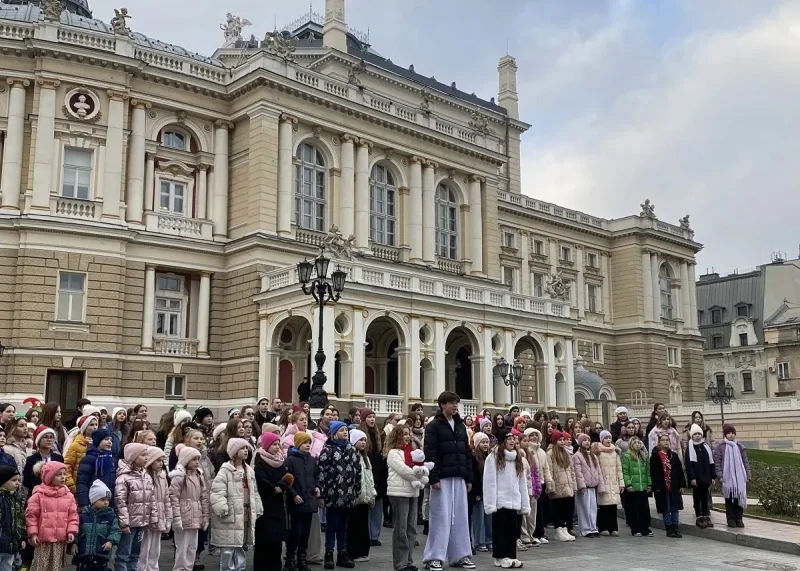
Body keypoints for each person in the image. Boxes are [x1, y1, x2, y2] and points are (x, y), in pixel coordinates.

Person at [422, 391, 475, 571]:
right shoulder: (434, 426)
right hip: (442, 478)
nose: (455, 406)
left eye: (456, 403)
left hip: (458, 476)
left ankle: (460, 555)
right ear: (442, 404)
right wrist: (433, 477)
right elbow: (430, 452)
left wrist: (468, 477)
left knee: (460, 518)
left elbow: (466, 453)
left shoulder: (460, 426)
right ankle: (434, 557)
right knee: (440, 518)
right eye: (451, 402)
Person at [210, 438, 263, 571]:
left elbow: (254, 491)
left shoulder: (249, 470)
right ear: (234, 452)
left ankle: (239, 568)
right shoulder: (225, 470)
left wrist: (257, 507)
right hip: (230, 514)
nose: (246, 450)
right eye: (242, 448)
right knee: (228, 547)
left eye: (246, 448)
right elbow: (217, 491)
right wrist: (222, 507)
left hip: (244, 513)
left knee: (240, 545)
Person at [316, 421, 360, 569]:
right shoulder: (327, 450)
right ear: (334, 434)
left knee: (343, 526)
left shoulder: (351, 449)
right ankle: (329, 553)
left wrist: (356, 490)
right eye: (341, 430)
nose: (345, 432)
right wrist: (321, 494)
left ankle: (342, 553)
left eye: (346, 430)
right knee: (331, 525)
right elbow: (322, 472)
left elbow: (357, 470)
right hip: (332, 494)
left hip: (348, 494)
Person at [483, 429, 529, 569]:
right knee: (500, 530)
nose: (512, 441)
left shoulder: (517, 457)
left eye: (513, 438)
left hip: (514, 500)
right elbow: (489, 481)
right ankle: (500, 556)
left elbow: (521, 481)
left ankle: (511, 555)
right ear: (503, 441)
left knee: (512, 530)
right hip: (500, 500)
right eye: (509, 438)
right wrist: (491, 503)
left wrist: (524, 503)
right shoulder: (493, 457)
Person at [386, 425, 428, 571]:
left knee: (412, 529)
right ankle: (400, 563)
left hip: (413, 492)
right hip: (399, 493)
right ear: (397, 436)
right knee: (401, 529)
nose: (408, 437)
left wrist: (423, 474)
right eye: (404, 434)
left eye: (409, 434)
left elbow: (420, 468)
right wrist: (423, 478)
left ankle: (408, 561)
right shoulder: (393, 453)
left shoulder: (412, 452)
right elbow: (404, 471)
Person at [24, 461, 78, 571]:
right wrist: (33, 533)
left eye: (64, 474)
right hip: (43, 540)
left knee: (55, 566)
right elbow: (31, 516)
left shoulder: (69, 496)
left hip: (59, 540)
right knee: (40, 566)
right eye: (59, 474)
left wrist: (71, 531)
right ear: (49, 477)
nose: (63, 477)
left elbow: (73, 515)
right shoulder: (38, 495)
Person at [253, 432, 292, 571]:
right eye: (274, 444)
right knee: (264, 539)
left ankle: (275, 566)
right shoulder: (260, 462)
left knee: (276, 540)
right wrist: (273, 487)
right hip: (265, 505)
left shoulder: (280, 461)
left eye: (278, 444)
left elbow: (288, 477)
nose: (277, 447)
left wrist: (282, 485)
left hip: (278, 505)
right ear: (267, 446)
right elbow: (261, 480)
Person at [115, 443, 156, 571]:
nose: (146, 458)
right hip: (129, 523)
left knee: (135, 554)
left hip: (142, 522)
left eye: (147, 455)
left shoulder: (146, 476)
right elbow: (120, 502)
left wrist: (153, 518)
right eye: (143, 455)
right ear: (133, 457)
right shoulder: (123, 478)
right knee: (124, 554)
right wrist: (124, 523)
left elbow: (152, 498)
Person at [169, 445, 210, 571]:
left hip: (196, 517)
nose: (197, 462)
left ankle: (188, 568)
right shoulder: (179, 477)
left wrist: (205, 516)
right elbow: (173, 498)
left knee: (192, 547)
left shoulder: (199, 476)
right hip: (183, 517)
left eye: (198, 459)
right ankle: (179, 568)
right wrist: (176, 518)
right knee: (182, 547)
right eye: (193, 459)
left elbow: (203, 497)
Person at [284, 432, 317, 571]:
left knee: (305, 533)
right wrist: (294, 494)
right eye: (304, 443)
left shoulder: (311, 460)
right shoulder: (290, 460)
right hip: (297, 502)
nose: (308, 445)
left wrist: (317, 487)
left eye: (309, 442)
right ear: (298, 444)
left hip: (309, 500)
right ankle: (290, 558)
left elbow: (315, 477)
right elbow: (287, 480)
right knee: (295, 532)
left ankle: (302, 558)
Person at [138, 448, 172, 571]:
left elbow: (166, 498)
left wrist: (169, 517)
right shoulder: (145, 477)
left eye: (162, 460)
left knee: (155, 548)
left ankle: (153, 568)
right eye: (158, 460)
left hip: (160, 515)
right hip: (147, 517)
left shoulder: (163, 477)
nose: (161, 463)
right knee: (144, 547)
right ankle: (142, 568)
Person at [358, 408, 387, 547]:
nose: (372, 419)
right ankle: (366, 534)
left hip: (378, 474)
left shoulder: (378, 435)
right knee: (366, 506)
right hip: (366, 473)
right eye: (369, 417)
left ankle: (374, 535)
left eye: (373, 417)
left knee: (377, 507)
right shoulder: (360, 434)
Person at [77, 480, 121, 571]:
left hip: (101, 554)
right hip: (84, 555)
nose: (106, 502)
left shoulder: (110, 516)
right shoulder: (84, 515)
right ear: (93, 500)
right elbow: (77, 531)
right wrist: (74, 543)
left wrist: (111, 541)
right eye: (102, 499)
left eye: (107, 500)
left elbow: (116, 531)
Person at [713, 424, 750, 529]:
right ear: (725, 434)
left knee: (739, 498)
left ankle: (739, 518)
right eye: (729, 433)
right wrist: (720, 475)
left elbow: (745, 462)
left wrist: (748, 474)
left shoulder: (740, 447)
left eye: (733, 433)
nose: (731, 435)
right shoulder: (720, 447)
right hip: (727, 478)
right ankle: (730, 519)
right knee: (729, 499)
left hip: (739, 478)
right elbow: (717, 462)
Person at [347, 429, 376, 564]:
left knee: (363, 526)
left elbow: (370, 479)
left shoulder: (366, 459)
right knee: (353, 526)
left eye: (365, 440)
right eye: (360, 440)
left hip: (364, 498)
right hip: (354, 498)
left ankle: (363, 551)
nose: (363, 443)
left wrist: (372, 495)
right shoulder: (350, 457)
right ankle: (353, 552)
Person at [650, 433, 686, 538]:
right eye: (663, 440)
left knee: (675, 507)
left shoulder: (673, 455)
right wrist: (656, 486)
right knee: (666, 508)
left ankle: (676, 527)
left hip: (673, 485)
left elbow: (679, 471)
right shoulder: (655, 456)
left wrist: (682, 484)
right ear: (659, 442)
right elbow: (653, 473)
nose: (665, 442)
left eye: (667, 440)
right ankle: (669, 528)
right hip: (662, 486)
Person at [546, 430, 576, 542]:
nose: (562, 442)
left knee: (566, 509)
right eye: (560, 440)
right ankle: (558, 529)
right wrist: (551, 485)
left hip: (567, 485)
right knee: (558, 509)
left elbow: (571, 470)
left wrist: (573, 484)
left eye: (563, 440)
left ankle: (564, 528)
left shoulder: (566, 453)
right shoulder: (550, 454)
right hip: (557, 485)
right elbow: (549, 470)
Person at [76, 429, 117, 509]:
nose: (109, 442)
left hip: (108, 503)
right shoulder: (89, 459)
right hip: (92, 503)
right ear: (98, 441)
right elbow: (82, 482)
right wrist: (83, 504)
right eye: (106, 439)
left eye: (111, 440)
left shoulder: (112, 460)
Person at [621, 436, 652, 537]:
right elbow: (625, 471)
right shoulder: (627, 456)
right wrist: (628, 484)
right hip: (633, 488)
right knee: (634, 509)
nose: (637, 444)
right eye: (635, 443)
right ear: (631, 445)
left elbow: (647, 471)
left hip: (643, 486)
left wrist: (649, 484)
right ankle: (635, 528)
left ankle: (645, 528)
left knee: (644, 509)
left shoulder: (643, 456)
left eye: (639, 443)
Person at [572, 433, 602, 538]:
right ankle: (585, 529)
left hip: (592, 486)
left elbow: (598, 471)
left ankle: (593, 527)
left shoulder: (593, 456)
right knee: (584, 508)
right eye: (584, 440)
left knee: (593, 508)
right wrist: (582, 485)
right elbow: (578, 472)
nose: (587, 442)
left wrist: (600, 484)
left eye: (588, 440)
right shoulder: (577, 456)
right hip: (584, 487)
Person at [685, 424, 715, 529]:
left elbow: (711, 462)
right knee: (697, 497)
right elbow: (689, 464)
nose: (697, 436)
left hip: (706, 477)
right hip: (697, 478)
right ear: (692, 436)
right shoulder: (690, 448)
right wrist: (692, 477)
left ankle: (706, 515)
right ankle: (699, 516)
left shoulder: (705, 447)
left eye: (699, 434)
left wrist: (712, 476)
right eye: (695, 434)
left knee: (705, 497)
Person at [595, 430, 624, 537]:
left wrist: (621, 483)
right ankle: (603, 527)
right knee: (603, 506)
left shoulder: (615, 453)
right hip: (603, 482)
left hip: (614, 482)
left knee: (613, 506)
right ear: (601, 440)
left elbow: (619, 469)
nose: (608, 440)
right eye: (606, 438)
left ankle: (614, 528)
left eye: (609, 438)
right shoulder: (598, 452)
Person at [525, 428, 551, 544]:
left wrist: (549, 481)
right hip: (532, 484)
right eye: (531, 435)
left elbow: (546, 468)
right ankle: (532, 533)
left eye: (536, 435)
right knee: (532, 511)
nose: (534, 437)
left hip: (541, 482)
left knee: (540, 510)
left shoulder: (541, 452)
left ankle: (540, 533)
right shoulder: (528, 451)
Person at [23, 426, 64, 493]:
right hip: (37, 493)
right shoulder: (31, 459)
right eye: (46, 437)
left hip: (56, 493)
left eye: (51, 437)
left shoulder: (58, 458)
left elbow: (63, 476)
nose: (49, 439)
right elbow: (26, 482)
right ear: (39, 440)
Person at [0, 466, 25, 571]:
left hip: (10, 545)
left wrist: (21, 538)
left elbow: (19, 521)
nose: (18, 483)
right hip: (2, 542)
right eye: (14, 480)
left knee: (7, 566)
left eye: (19, 480)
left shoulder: (15, 499)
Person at [469, 432, 491, 553]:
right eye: (483, 442)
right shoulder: (474, 457)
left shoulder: (489, 457)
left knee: (489, 517)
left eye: (487, 442)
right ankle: (479, 541)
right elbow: (475, 477)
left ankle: (489, 540)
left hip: (488, 491)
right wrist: (476, 493)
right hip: (478, 492)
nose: (485, 444)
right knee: (479, 518)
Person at [65, 415, 98, 494]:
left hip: (96, 489)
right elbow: (67, 467)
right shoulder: (75, 445)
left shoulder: (99, 444)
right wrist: (72, 487)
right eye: (91, 425)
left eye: (96, 424)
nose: (95, 427)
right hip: (79, 488)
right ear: (84, 427)